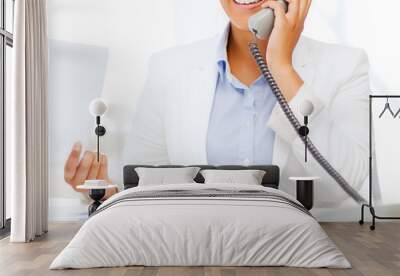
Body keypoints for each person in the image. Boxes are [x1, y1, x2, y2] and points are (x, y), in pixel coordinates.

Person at [64, 0, 370, 206]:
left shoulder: (346, 65)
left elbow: (345, 182)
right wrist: (108, 194)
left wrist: (282, 69)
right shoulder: (168, 67)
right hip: (193, 239)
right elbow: (145, 184)